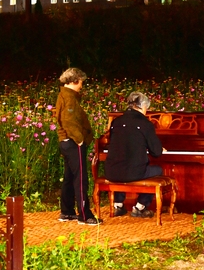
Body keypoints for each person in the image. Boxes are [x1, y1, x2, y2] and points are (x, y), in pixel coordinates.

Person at [104, 91, 164, 218]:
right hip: (134, 173)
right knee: (158, 170)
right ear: (142, 107)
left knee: (122, 165)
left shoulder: (116, 122)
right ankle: (140, 207)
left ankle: (118, 205)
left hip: (111, 171)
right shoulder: (145, 124)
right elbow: (157, 152)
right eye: (146, 109)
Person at [55, 67, 102, 225]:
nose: (82, 85)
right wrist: (80, 139)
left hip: (66, 142)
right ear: (74, 81)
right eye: (81, 82)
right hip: (73, 143)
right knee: (81, 179)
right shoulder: (70, 97)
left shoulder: (64, 94)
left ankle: (66, 212)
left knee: (69, 177)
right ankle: (84, 215)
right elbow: (67, 120)